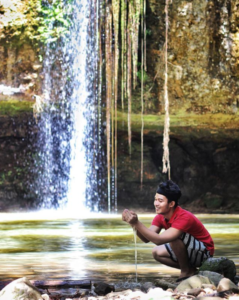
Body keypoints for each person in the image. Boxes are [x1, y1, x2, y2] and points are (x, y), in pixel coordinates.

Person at [122, 180, 214, 282]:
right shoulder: (160, 217)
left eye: (160, 201)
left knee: (173, 238)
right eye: (155, 199)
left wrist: (137, 223)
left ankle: (185, 271)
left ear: (171, 204)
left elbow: (159, 240)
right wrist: (132, 223)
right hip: (190, 251)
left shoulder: (183, 217)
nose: (156, 203)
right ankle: (190, 269)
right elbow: (146, 238)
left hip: (204, 253)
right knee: (156, 252)